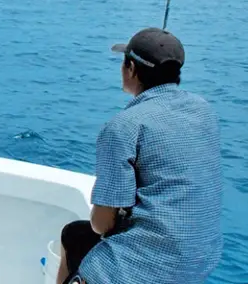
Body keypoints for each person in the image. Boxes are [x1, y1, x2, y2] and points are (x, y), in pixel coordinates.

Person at [57, 27, 222, 284]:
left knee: (76, 236)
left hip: (142, 269)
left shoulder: (123, 126)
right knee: (75, 235)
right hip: (199, 261)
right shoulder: (204, 111)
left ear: (131, 69)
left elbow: (103, 225)